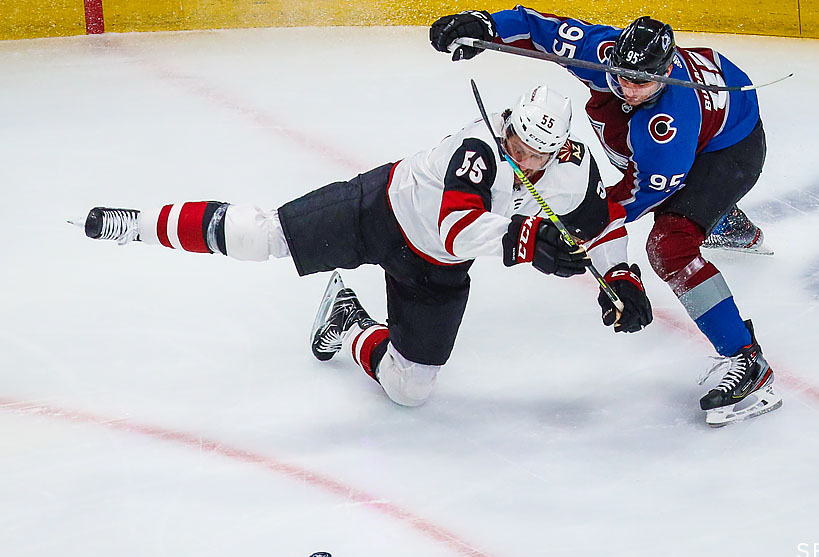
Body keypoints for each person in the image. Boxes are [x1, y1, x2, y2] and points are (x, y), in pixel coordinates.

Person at [77, 85, 652, 408]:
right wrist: (528, 240)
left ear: (559, 150)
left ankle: (347, 321)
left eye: (536, 154)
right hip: (378, 212)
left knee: (410, 388)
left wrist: (621, 275)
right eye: (518, 142)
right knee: (260, 236)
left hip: (435, 272)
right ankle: (141, 224)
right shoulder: (477, 146)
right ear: (510, 124)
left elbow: (601, 225)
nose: (523, 158)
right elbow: (456, 226)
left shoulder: (571, 173)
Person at [430, 9, 782, 426]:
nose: (628, 88)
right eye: (622, 76)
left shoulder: (667, 130)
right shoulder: (604, 52)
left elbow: (630, 198)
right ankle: (723, 220)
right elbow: (541, 30)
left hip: (731, 151)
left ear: (668, 73)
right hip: (717, 116)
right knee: (617, 127)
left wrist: (585, 224)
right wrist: (488, 26)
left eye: (641, 82)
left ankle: (747, 359)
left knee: (669, 245)